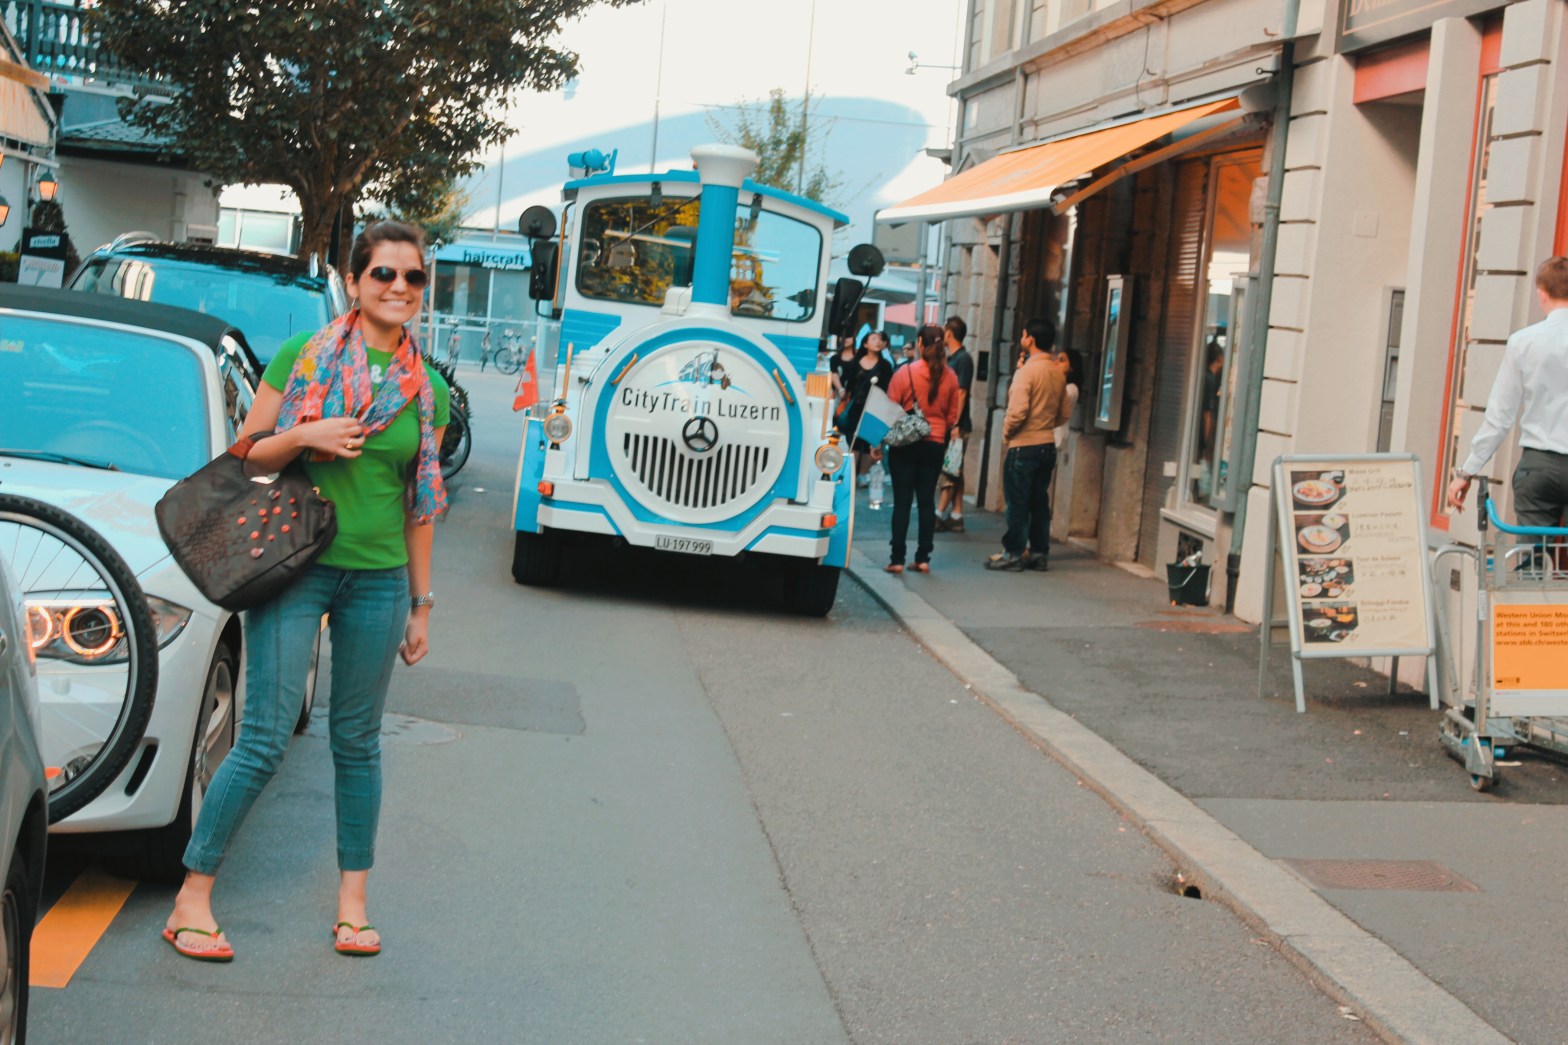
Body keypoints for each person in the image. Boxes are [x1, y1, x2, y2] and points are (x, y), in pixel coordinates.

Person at [162, 221, 451, 962]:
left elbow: (419, 505)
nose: (399, 287)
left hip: (380, 580)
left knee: (357, 742)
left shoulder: (429, 390)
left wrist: (421, 605)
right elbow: (247, 455)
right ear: (354, 282)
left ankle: (353, 905)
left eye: (413, 276)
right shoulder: (304, 356)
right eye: (383, 273)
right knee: (263, 736)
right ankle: (192, 896)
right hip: (293, 563)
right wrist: (305, 436)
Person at [1448, 256, 1568, 531]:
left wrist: (1467, 471)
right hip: (1541, 464)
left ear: (1541, 293)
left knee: (1531, 553)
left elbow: (1500, 416)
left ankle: (1533, 561)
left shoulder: (1523, 342)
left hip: (1539, 465)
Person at [987, 316, 1071, 572]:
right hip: (1047, 443)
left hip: (1024, 444)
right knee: (1039, 501)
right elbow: (1064, 413)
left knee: (1017, 502)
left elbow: (1018, 411)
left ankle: (1013, 552)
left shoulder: (1027, 372)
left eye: (1024, 335)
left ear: (1030, 339)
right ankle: (1038, 552)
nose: (1022, 339)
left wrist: (1007, 433)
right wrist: (1046, 423)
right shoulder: (1057, 373)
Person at [885, 324, 962, 574]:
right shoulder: (951, 376)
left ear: (919, 343)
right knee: (927, 501)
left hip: (905, 444)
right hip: (935, 443)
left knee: (902, 502)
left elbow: (890, 409)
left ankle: (897, 559)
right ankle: (923, 558)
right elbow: (952, 416)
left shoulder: (905, 372)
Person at [837, 331, 894, 506]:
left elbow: (888, 389)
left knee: (868, 441)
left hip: (874, 408)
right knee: (853, 442)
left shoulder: (885, 365)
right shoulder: (857, 362)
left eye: (879, 339)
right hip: (856, 408)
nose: (877, 342)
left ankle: (863, 475)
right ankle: (852, 475)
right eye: (873, 339)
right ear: (865, 344)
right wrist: (844, 397)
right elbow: (849, 385)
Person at [935, 317, 975, 533]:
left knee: (950, 468)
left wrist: (955, 423)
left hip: (957, 425)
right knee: (956, 468)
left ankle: (938, 513)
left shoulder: (963, 359)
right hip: (951, 423)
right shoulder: (951, 358)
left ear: (949, 333)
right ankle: (957, 515)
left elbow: (961, 392)